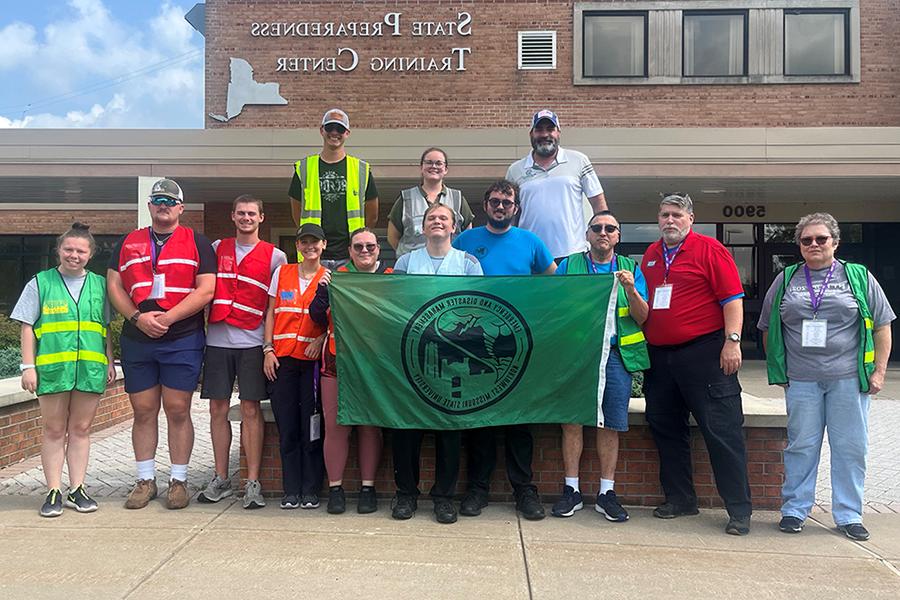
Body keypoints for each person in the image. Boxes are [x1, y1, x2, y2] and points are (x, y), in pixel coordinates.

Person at [758, 213, 894, 541]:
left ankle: (848, 513)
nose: (814, 244)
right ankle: (794, 509)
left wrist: (879, 371)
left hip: (848, 378)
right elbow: (767, 327)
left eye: (821, 238)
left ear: (835, 242)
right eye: (807, 240)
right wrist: (780, 366)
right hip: (802, 379)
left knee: (850, 447)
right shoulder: (786, 279)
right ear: (800, 245)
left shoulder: (857, 276)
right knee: (801, 445)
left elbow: (882, 324)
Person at [640, 193, 752, 535]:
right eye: (663, 215)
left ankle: (738, 510)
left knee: (722, 430)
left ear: (690, 218)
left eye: (676, 214)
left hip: (704, 354)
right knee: (666, 430)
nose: (669, 221)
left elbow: (732, 300)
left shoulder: (710, 249)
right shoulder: (651, 254)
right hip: (660, 358)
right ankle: (680, 499)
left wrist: (732, 343)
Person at [107, 179, 216, 510]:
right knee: (142, 411)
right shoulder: (127, 242)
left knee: (178, 409)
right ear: (150, 206)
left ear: (181, 208)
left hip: (182, 338)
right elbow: (115, 285)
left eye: (171, 200)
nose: (164, 205)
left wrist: (167, 319)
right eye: (158, 200)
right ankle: (145, 479)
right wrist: (138, 317)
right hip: (138, 338)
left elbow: (206, 289)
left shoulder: (198, 242)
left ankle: (179, 480)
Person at [451, 179, 555, 521]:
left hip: (516, 342)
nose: (500, 206)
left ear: (516, 208)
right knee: (479, 419)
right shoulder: (465, 240)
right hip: (476, 343)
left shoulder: (531, 242)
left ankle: (524, 490)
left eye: (507, 202)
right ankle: (477, 489)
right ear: (485, 206)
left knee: (519, 422)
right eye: (495, 201)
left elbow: (555, 284)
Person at [11, 223, 116, 517]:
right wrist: (27, 366)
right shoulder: (40, 282)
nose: (74, 255)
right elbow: (27, 326)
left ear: (90, 254)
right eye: (68, 249)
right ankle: (54, 490)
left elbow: (104, 326)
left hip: (90, 368)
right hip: (53, 369)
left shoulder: (99, 285)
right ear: (58, 250)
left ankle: (77, 488)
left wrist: (109, 360)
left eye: (81, 250)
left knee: (81, 430)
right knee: (55, 429)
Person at [551, 211, 650, 522]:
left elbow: (643, 317)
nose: (603, 233)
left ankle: (607, 492)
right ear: (587, 234)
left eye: (610, 228)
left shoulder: (631, 268)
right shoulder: (569, 265)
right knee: (572, 421)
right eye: (597, 228)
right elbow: (553, 306)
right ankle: (572, 490)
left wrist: (632, 290)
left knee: (611, 424)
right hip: (577, 354)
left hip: (615, 356)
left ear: (618, 236)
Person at [391, 203, 483, 523]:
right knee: (407, 429)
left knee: (449, 431)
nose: (438, 222)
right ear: (422, 226)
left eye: (444, 218)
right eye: (432, 218)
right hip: (414, 356)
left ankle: (444, 496)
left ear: (454, 226)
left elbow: (479, 307)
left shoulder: (468, 263)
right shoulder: (405, 261)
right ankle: (406, 494)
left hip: (453, 360)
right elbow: (394, 304)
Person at [197, 195, 287, 509]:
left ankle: (252, 482)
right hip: (217, 341)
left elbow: (277, 306)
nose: (246, 218)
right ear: (233, 217)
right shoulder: (216, 248)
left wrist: (269, 346)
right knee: (217, 410)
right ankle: (221, 477)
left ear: (262, 217)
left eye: (252, 213)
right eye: (241, 213)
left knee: (251, 411)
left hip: (252, 342)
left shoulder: (276, 256)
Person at [309, 227, 391, 514]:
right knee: (336, 427)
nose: (365, 251)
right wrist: (323, 291)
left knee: (370, 426)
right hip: (336, 361)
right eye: (359, 247)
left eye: (370, 246)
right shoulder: (337, 277)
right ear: (350, 251)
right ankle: (336, 489)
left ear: (378, 250)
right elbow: (317, 316)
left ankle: (368, 488)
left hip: (373, 364)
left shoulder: (390, 279)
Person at [263, 223, 329, 510]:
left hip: (313, 364)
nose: (309, 247)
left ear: (323, 245)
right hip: (282, 361)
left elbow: (337, 318)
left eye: (315, 242)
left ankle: (311, 489)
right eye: (304, 242)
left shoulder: (331, 278)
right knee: (287, 426)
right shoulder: (283, 273)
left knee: (312, 428)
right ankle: (291, 490)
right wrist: (266, 350)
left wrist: (322, 337)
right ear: (298, 246)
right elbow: (270, 313)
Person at [506, 109, 607, 262]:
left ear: (558, 133)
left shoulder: (579, 160)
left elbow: (599, 204)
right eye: (539, 129)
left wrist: (603, 238)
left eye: (550, 129)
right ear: (531, 134)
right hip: (530, 256)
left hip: (574, 254)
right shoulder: (515, 170)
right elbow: (510, 214)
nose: (545, 134)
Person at [289, 108, 379, 269]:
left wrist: (359, 242)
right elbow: (297, 211)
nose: (335, 133)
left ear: (347, 133)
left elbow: (372, 214)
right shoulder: (304, 168)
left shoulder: (361, 169)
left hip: (351, 255)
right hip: (314, 254)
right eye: (330, 128)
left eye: (340, 129)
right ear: (322, 130)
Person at [387, 147, 474, 256]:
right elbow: (392, 237)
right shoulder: (405, 198)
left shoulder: (458, 198)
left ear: (446, 169)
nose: (433, 166)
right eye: (429, 162)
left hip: (450, 267)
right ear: (421, 167)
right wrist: (408, 257)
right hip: (413, 268)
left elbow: (467, 236)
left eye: (438, 163)